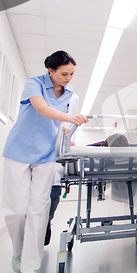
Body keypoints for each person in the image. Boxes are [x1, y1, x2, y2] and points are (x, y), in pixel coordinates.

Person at [2, 51, 88, 273]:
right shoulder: (34, 84)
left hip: (47, 156)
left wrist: (67, 136)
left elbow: (63, 125)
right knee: (17, 211)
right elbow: (42, 110)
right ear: (50, 71)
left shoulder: (72, 96)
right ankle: (18, 252)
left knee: (39, 211)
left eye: (71, 74)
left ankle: (31, 268)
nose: (68, 78)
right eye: (64, 73)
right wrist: (71, 120)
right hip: (19, 151)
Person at [45, 93, 79, 246]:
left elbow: (72, 128)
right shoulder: (44, 100)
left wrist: (70, 141)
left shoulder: (73, 100)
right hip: (40, 160)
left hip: (56, 168)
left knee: (53, 198)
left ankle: (47, 223)